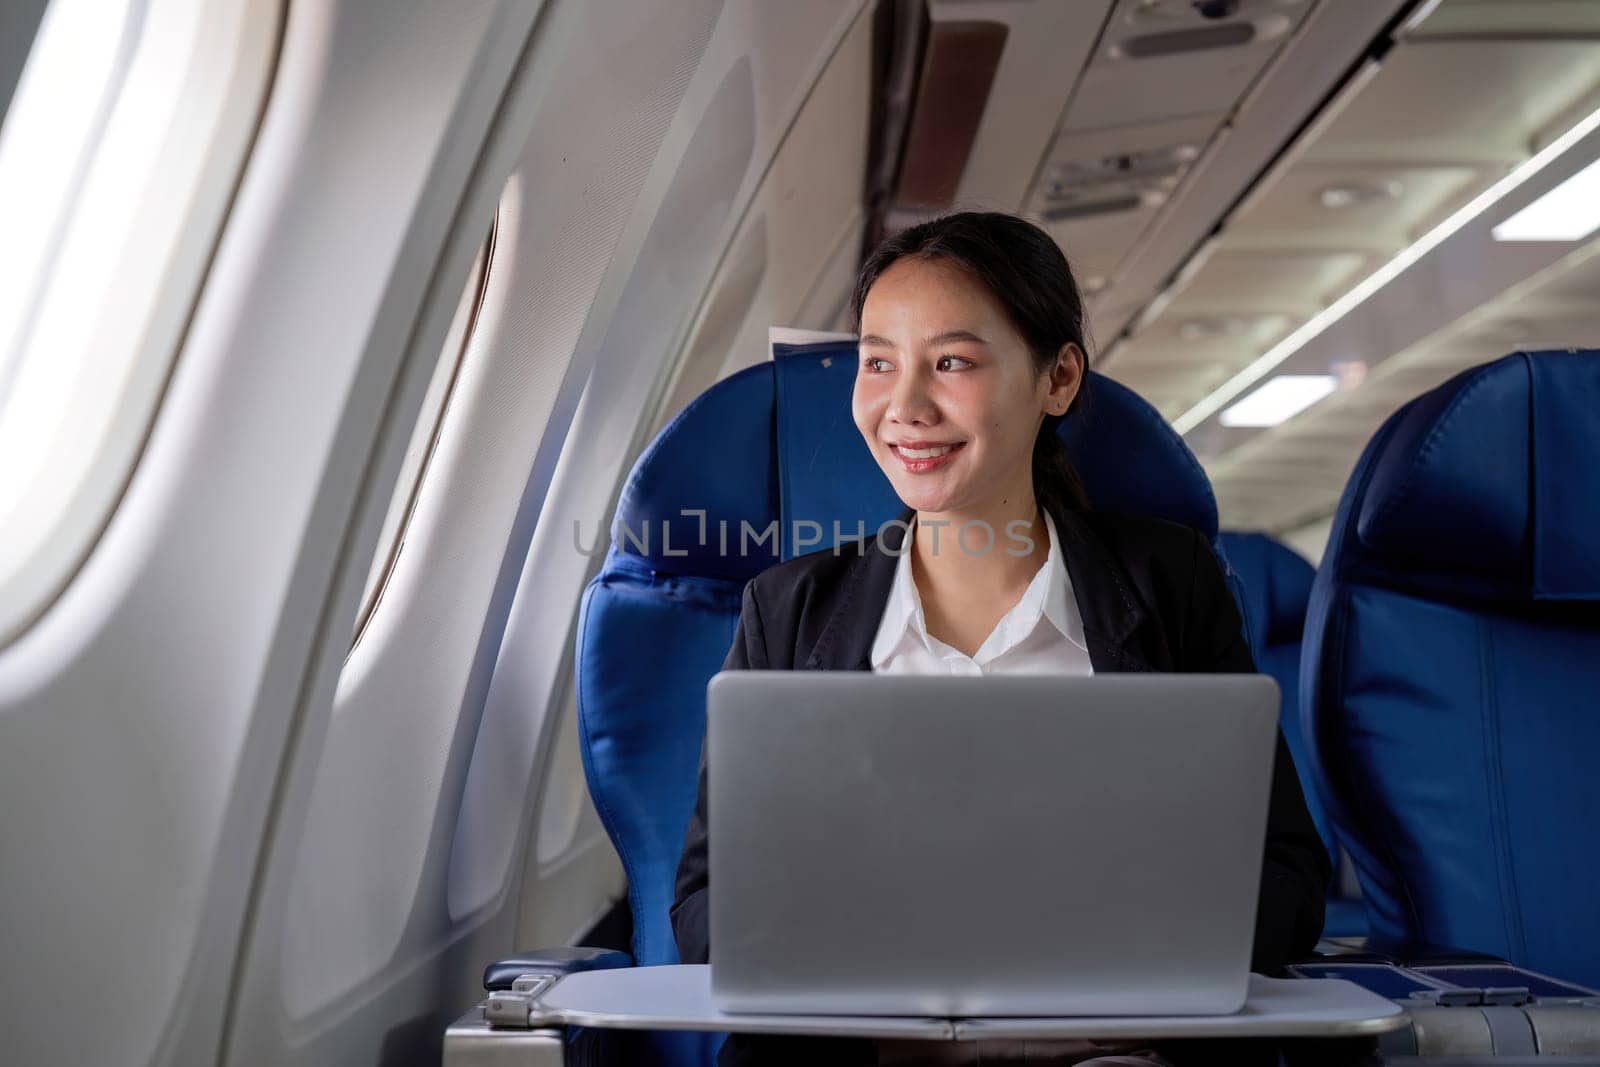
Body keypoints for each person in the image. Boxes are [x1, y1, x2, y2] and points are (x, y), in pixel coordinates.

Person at [670, 212, 1330, 1066]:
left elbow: (1289, 881)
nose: (903, 406)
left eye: (951, 362)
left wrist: (1124, 944)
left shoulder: (1170, 584)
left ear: (1057, 379)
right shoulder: (787, 610)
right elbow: (703, 905)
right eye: (878, 362)